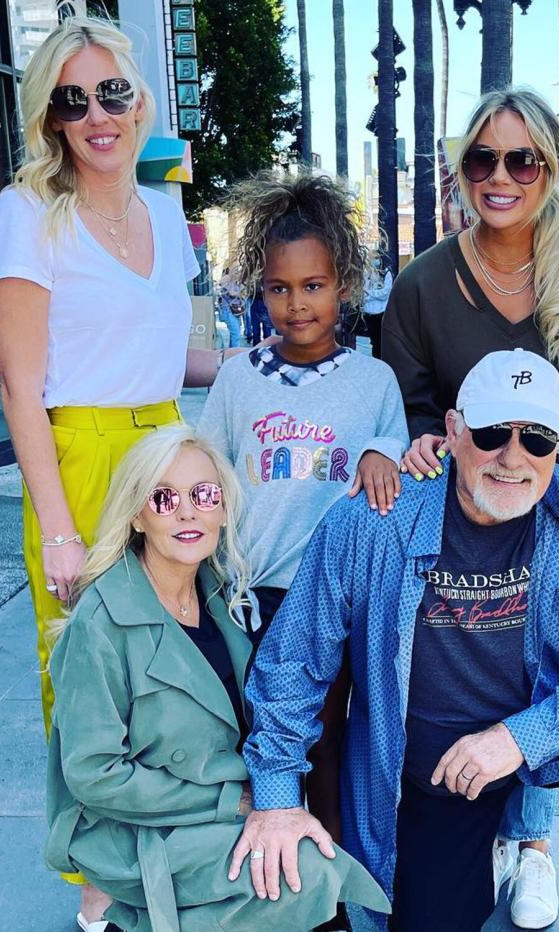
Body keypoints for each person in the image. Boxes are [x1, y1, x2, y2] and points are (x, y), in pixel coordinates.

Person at [239, 350, 559, 932]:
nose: (513, 457)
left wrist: (519, 737)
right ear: (452, 431)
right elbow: (293, 663)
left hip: (548, 730)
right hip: (444, 767)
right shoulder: (376, 517)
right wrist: (276, 797)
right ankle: (489, 851)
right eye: (491, 433)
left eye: (537, 439)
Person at [0, 16, 243, 929]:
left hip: (164, 451)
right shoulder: (26, 215)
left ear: (141, 102)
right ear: (50, 116)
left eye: (113, 93)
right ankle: (96, 893)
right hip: (81, 456)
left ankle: (170, 857)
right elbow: (20, 388)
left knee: (174, 660)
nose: (97, 114)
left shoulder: (167, 216)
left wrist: (274, 362)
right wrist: (57, 524)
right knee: (88, 673)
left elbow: (176, 357)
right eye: (72, 99)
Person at [380, 88, 559, 927]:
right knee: (476, 675)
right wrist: (416, 442)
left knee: (550, 655)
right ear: (459, 169)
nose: (501, 177)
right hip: (459, 521)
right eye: (483, 159)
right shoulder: (424, 283)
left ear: (552, 170)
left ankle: (535, 842)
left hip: (556, 510)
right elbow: (403, 399)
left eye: (523, 160)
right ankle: (488, 833)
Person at [45, 424, 389, 931]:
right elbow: (93, 774)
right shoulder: (100, 623)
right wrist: (233, 800)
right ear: (137, 514)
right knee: (307, 874)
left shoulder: (217, 592)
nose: (188, 511)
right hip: (140, 826)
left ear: (223, 509)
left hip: (213, 806)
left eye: (204, 495)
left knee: (302, 862)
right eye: (164, 498)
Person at [198, 169, 408, 930]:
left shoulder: (373, 381)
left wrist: (387, 452)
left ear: (344, 284)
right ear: (261, 288)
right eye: (281, 288)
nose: (298, 304)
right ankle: (295, 891)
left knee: (345, 747)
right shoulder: (236, 382)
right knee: (282, 739)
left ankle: (335, 888)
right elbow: (209, 475)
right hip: (265, 593)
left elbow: (397, 447)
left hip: (347, 597)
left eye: (314, 285)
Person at [217, 266, 245, 348]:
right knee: (236, 334)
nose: (237, 271)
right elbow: (232, 293)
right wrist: (241, 291)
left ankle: (231, 354)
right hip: (229, 310)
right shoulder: (226, 278)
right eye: (235, 268)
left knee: (235, 334)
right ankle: (235, 355)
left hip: (234, 310)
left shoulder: (234, 280)